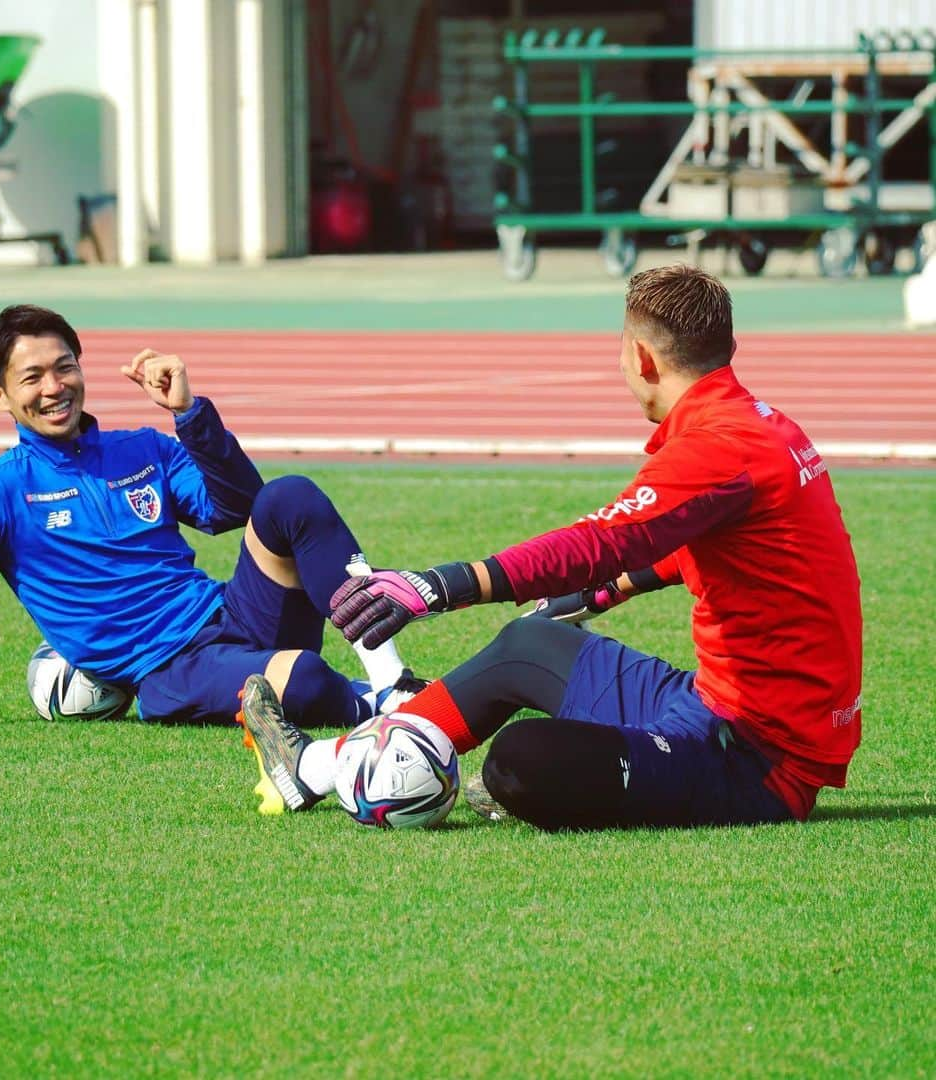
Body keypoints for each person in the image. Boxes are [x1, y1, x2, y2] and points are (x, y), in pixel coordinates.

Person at [235, 265, 862, 830]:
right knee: (528, 645)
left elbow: (603, 541)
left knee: (520, 762)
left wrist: (441, 585)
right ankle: (316, 765)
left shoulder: (720, 446)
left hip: (758, 760)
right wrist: (603, 592)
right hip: (718, 707)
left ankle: (369, 755)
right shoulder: (759, 425)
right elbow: (704, 550)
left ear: (641, 357)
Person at [0, 304, 423, 744]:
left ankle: (392, 681)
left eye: (64, 367)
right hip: (168, 669)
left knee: (288, 496)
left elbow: (236, 509)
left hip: (231, 613)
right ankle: (379, 705)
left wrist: (189, 416)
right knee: (305, 680)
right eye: (32, 378)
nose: (54, 387)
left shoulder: (143, 449)